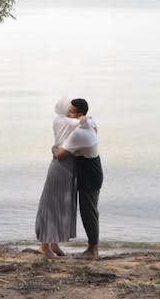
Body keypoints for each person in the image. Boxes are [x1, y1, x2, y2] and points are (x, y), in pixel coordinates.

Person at [35, 96, 95, 259]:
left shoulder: (61, 120)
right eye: (69, 109)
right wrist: (85, 117)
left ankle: (53, 244)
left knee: (62, 204)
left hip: (67, 165)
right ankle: (44, 246)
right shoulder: (64, 121)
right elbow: (87, 123)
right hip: (61, 165)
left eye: (72, 110)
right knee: (53, 204)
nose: (70, 111)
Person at [53, 97, 103, 260]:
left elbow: (60, 155)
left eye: (71, 111)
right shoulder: (91, 121)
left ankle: (92, 250)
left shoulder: (79, 133)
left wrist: (53, 149)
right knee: (91, 211)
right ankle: (92, 247)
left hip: (88, 175)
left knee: (89, 212)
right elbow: (91, 124)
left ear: (79, 114)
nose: (68, 113)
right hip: (93, 170)